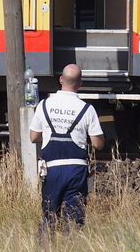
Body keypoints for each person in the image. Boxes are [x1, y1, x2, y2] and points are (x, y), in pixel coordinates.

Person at [29, 64, 105, 232]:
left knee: (49, 216)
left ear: (61, 80)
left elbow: (33, 137)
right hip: (76, 170)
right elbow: (98, 145)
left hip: (51, 169)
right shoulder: (87, 109)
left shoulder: (44, 105)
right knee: (74, 220)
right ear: (80, 83)